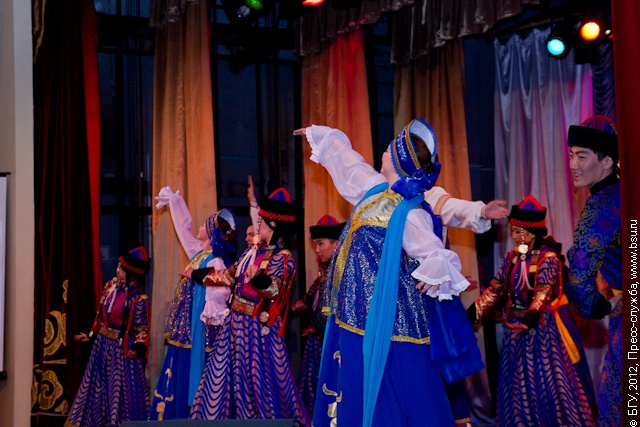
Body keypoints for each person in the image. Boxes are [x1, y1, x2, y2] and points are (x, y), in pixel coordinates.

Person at [294, 119, 484, 427]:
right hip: (354, 316)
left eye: (387, 150)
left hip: (390, 322)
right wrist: (323, 135)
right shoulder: (374, 190)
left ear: (397, 160)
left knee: (397, 392)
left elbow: (434, 251)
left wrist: (435, 269)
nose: (381, 153)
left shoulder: (410, 210)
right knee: (355, 389)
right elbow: (349, 164)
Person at [188, 188, 311, 426]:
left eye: (262, 221)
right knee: (218, 379)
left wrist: (258, 279)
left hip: (258, 333)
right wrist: (195, 274)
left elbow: (274, 290)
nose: (258, 225)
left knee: (261, 387)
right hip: (233, 326)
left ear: (273, 225)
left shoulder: (283, 258)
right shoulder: (251, 252)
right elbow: (227, 276)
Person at [469, 196, 594, 426]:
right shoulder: (511, 258)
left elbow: (543, 294)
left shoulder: (548, 259)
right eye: (513, 231)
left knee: (546, 384)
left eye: (519, 232)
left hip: (540, 333)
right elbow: (495, 289)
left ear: (532, 233)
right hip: (514, 334)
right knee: (515, 387)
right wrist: (472, 313)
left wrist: (528, 320)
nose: (515, 236)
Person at [150, 186, 238, 420]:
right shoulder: (199, 253)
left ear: (211, 235)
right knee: (180, 365)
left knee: (196, 367)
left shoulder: (216, 261)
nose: (197, 228)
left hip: (200, 328)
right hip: (187, 326)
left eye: (202, 225)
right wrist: (175, 202)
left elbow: (218, 297)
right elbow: (184, 231)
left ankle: (198, 412)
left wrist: (206, 324)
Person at [564, 115, 622, 426]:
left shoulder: (602, 205)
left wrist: (601, 306)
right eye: (571, 155)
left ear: (607, 161)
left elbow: (579, 277)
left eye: (582, 156)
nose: (573, 164)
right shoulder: (626, 192)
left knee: (619, 404)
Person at [65, 247, 152, 427]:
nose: (117, 270)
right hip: (101, 347)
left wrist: (136, 349)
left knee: (118, 390)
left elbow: (141, 329)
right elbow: (101, 316)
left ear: (130, 272)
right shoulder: (110, 287)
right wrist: (91, 335)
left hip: (121, 351)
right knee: (97, 389)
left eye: (121, 267)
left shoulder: (138, 299)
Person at [290, 214, 345, 418]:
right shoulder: (323, 275)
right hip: (316, 342)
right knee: (311, 388)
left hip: (332, 342)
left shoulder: (342, 274)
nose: (318, 250)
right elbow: (306, 301)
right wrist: (283, 314)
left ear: (336, 244)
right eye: (316, 245)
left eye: (321, 244)